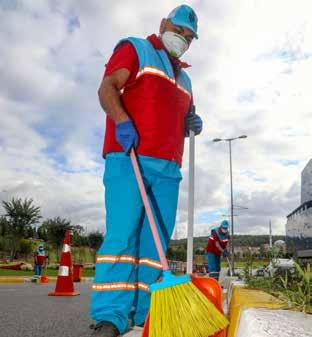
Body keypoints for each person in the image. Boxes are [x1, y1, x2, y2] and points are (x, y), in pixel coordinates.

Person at [90, 5, 202, 337]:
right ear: (164, 24)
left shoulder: (186, 78)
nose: (184, 38)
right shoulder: (136, 49)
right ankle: (111, 315)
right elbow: (107, 88)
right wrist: (122, 122)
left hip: (168, 168)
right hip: (129, 156)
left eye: (190, 36)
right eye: (180, 29)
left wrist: (190, 124)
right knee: (123, 236)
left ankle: (145, 313)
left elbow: (179, 117)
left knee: (155, 245)